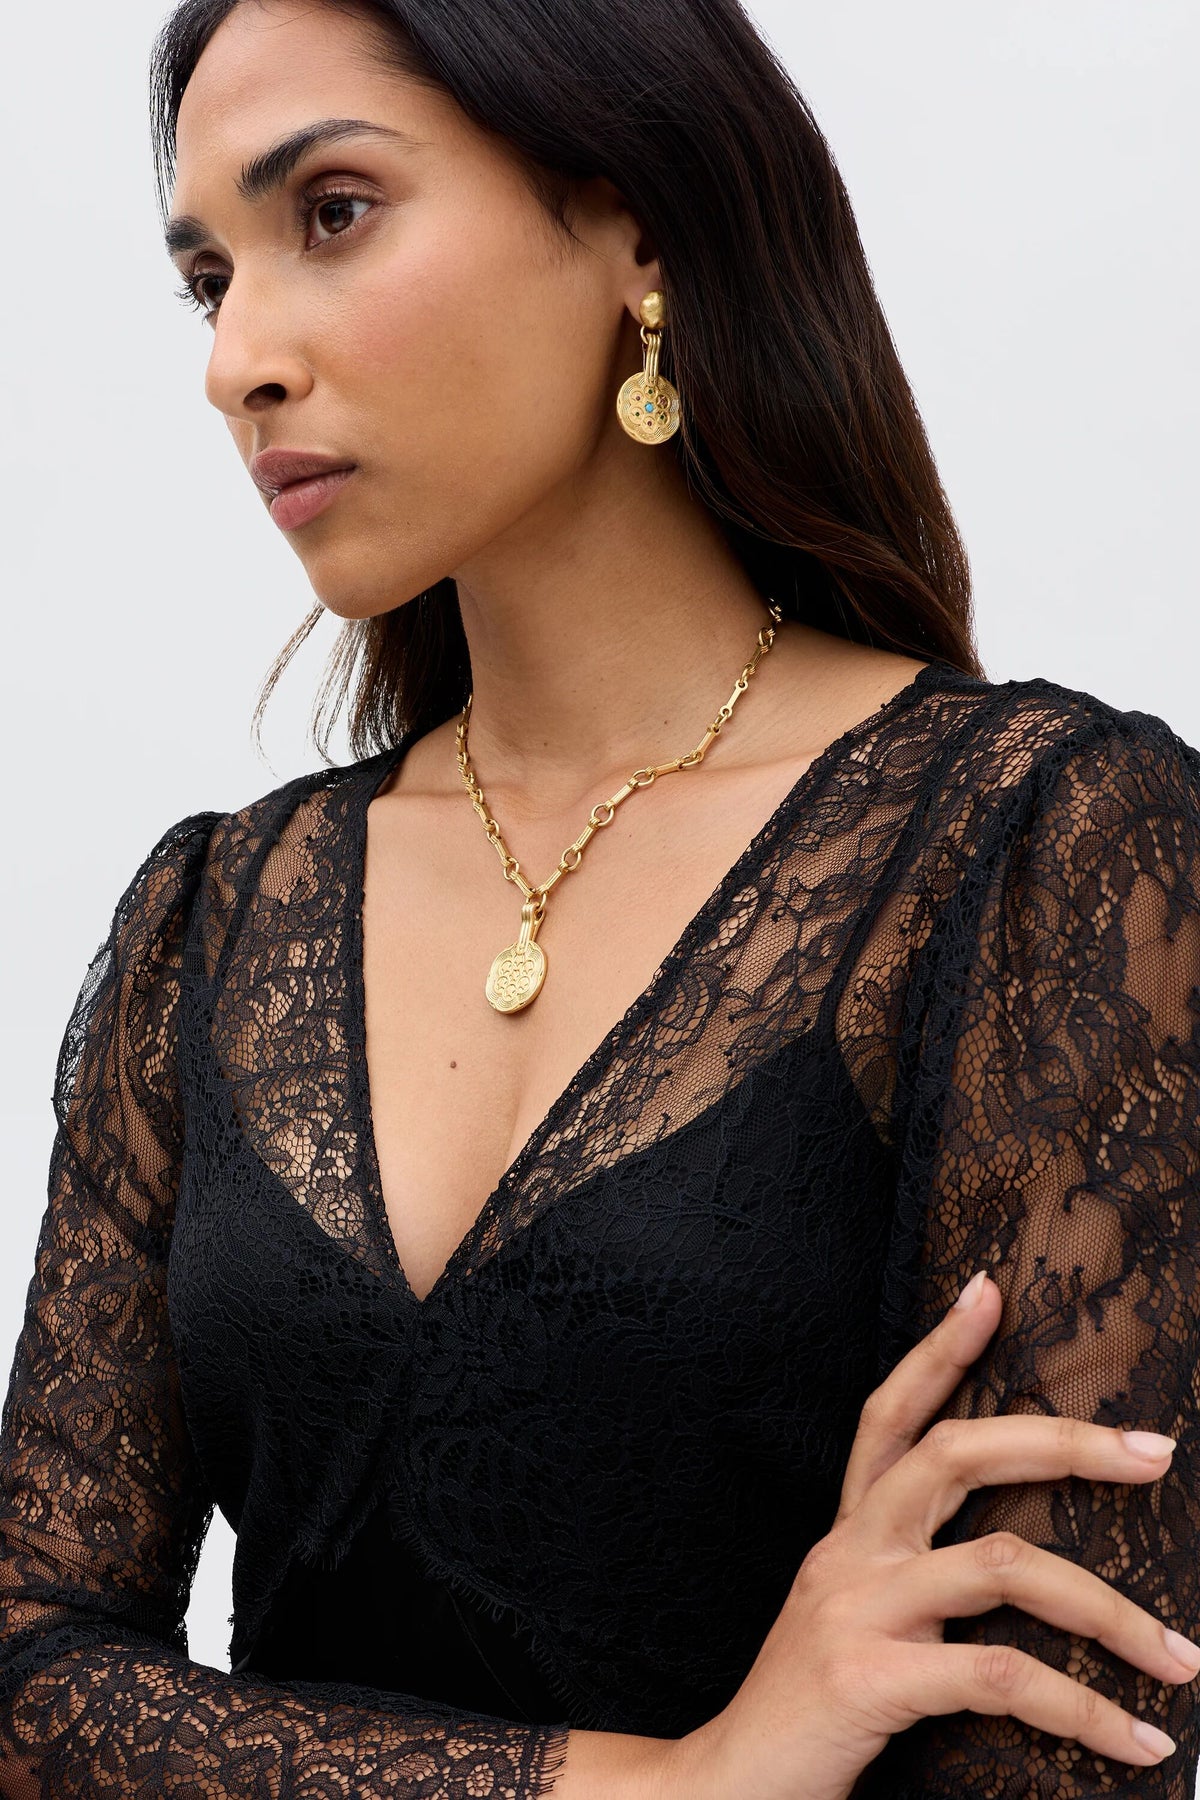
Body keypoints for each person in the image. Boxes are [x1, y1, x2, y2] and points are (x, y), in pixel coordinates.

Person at [1, 0, 1198, 1795]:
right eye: (207, 279)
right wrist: (670, 1784)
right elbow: (27, 1679)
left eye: (331, 211)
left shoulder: (1039, 857)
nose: (237, 357)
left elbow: (1065, 1751)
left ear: (637, 219)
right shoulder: (215, 920)